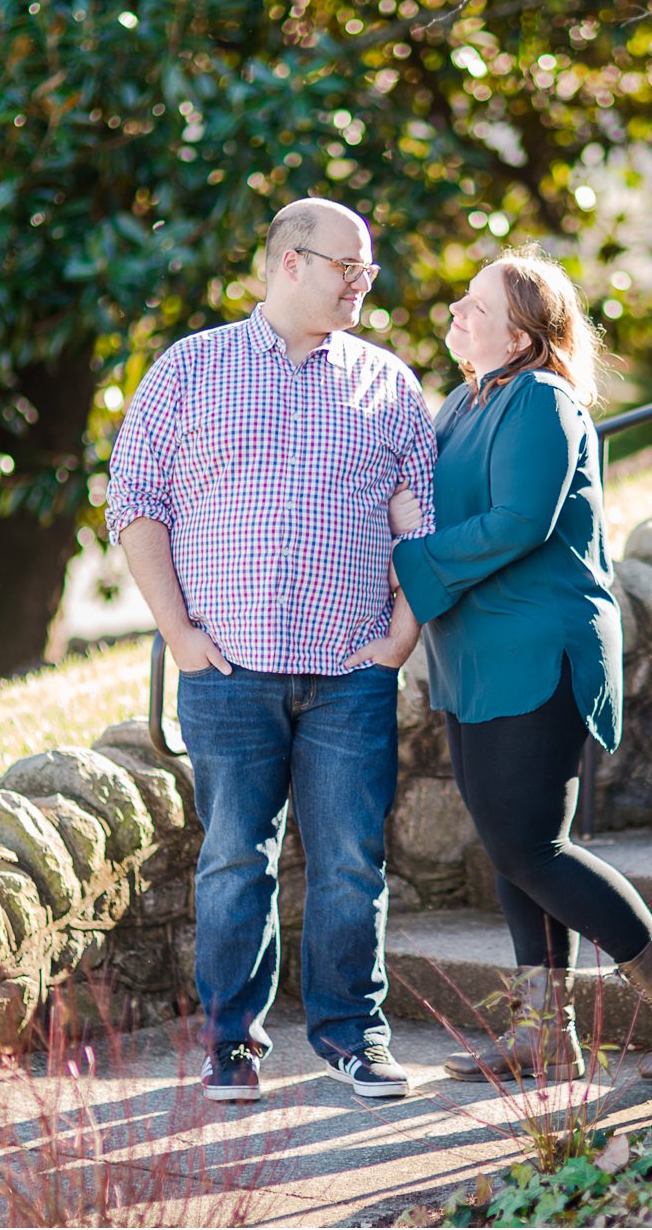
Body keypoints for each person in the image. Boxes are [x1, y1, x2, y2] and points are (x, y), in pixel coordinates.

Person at [106, 197, 436, 1104]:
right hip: (227, 673)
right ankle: (231, 1044)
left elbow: (421, 526)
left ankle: (352, 1035)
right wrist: (180, 634)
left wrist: (398, 639)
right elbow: (134, 503)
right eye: (349, 267)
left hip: (348, 676)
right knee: (231, 861)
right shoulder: (189, 370)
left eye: (366, 269)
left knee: (349, 863)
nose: (363, 283)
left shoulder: (390, 385)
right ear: (291, 262)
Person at [387, 248, 652, 1085]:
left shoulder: (543, 402)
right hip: (475, 655)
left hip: (536, 648)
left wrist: (411, 561)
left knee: (533, 845)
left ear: (521, 332)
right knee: (508, 847)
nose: (456, 311)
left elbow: (522, 521)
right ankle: (545, 1033)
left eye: (475, 306)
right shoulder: (461, 402)